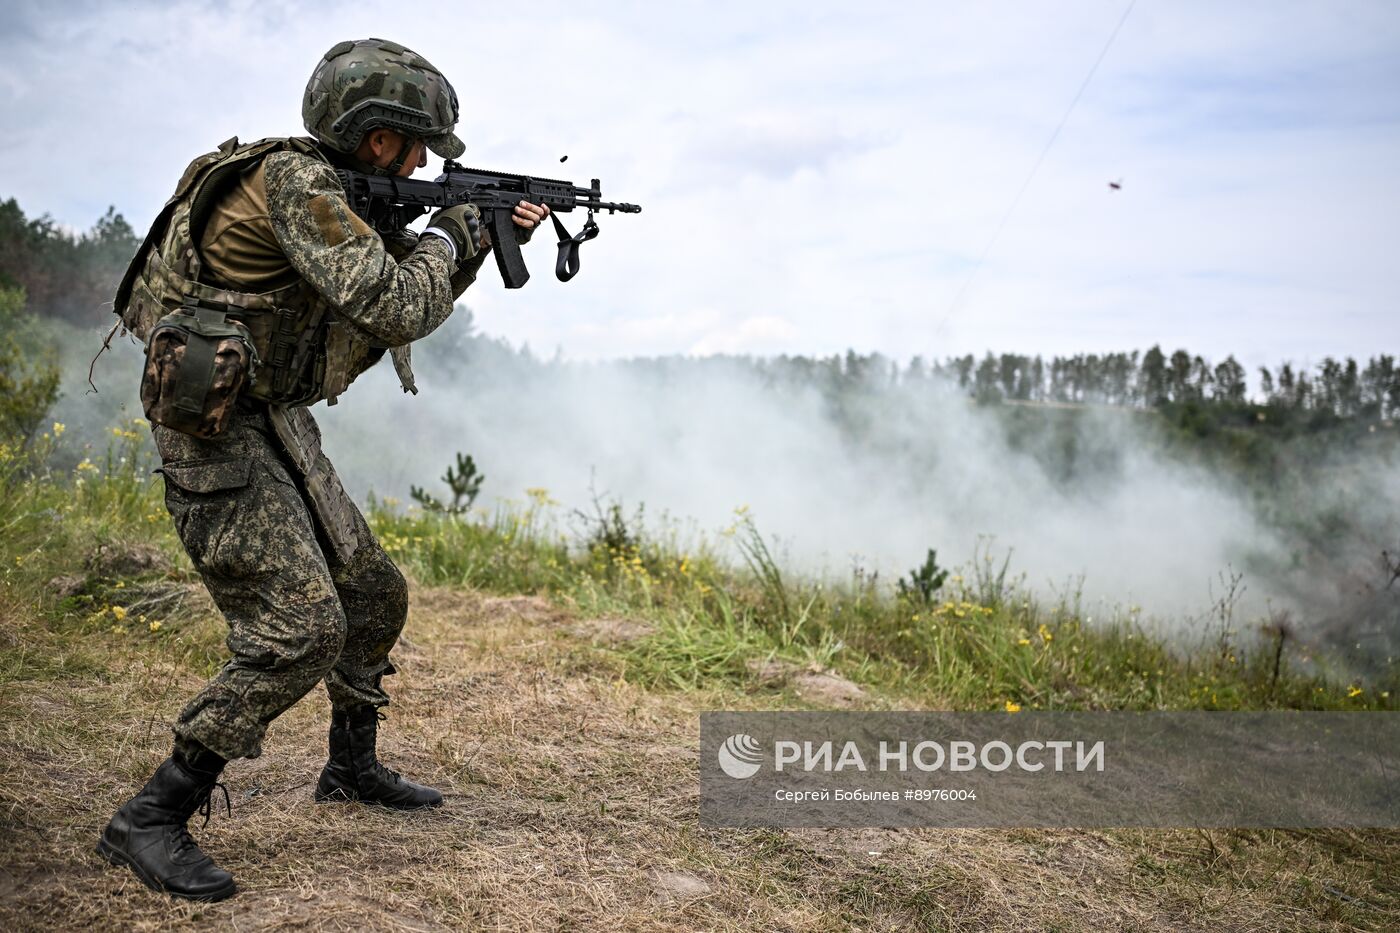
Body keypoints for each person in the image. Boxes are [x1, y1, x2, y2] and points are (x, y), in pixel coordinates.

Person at [97, 38, 548, 902]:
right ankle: (152, 814)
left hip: (269, 410)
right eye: (418, 148)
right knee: (300, 628)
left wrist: (478, 237)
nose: (423, 165)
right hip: (213, 426)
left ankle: (349, 768)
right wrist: (457, 230)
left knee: (374, 595)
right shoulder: (300, 186)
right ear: (378, 141)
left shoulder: (338, 191)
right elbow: (396, 300)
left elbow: (394, 305)